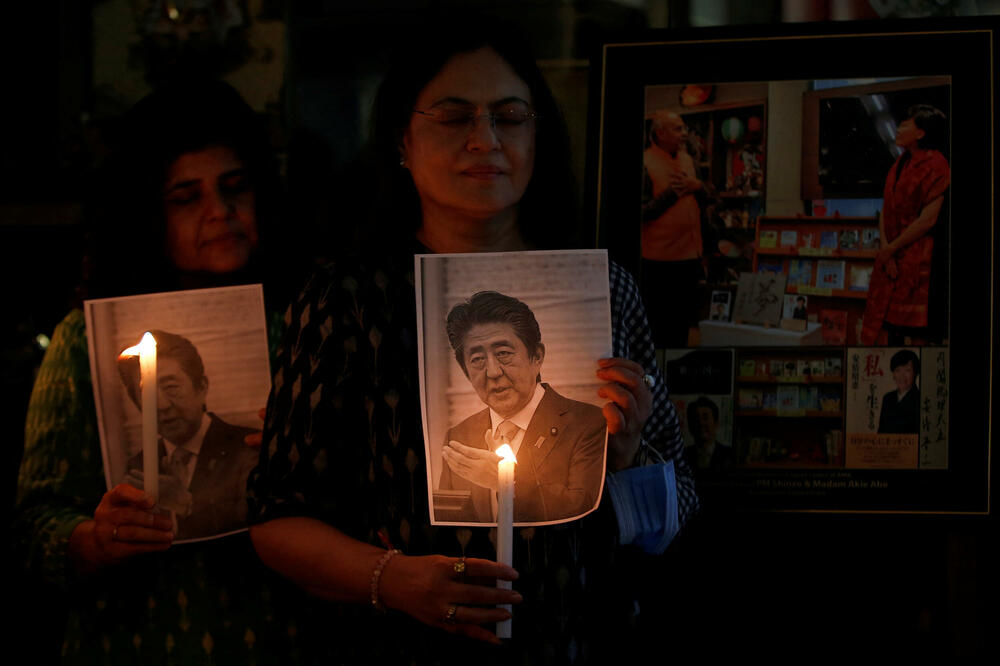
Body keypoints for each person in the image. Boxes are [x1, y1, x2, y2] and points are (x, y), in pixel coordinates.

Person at [248, 16, 698, 664]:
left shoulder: (602, 291)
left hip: (575, 638)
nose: (485, 140)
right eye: (454, 117)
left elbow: (675, 514)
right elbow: (276, 517)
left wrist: (626, 460)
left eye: (510, 117)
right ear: (402, 140)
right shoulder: (345, 300)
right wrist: (393, 580)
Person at [14, 79, 296, 664]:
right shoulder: (85, 342)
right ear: (147, 216)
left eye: (235, 188)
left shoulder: (303, 322)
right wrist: (96, 538)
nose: (220, 212)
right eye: (186, 198)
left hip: (290, 633)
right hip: (139, 635)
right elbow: (36, 522)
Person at [437, 291, 606, 523]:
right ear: (466, 372)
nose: (493, 372)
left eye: (503, 354)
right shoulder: (458, 438)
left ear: (536, 357)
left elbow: (584, 513)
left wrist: (506, 482)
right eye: (477, 360)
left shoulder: (588, 423)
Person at [117, 329, 259, 540]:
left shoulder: (249, 449)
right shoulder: (137, 468)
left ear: (201, 388)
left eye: (171, 387)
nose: (162, 405)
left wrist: (187, 504)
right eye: (147, 394)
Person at [861, 104, 950, 345]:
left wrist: (891, 248)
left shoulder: (937, 165)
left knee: (919, 334)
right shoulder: (899, 163)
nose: (899, 129)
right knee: (889, 330)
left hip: (919, 259)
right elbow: (886, 209)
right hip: (892, 257)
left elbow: (928, 219)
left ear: (921, 133)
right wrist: (886, 249)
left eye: (905, 124)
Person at [640, 109, 708, 348]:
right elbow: (642, 213)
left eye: (684, 128)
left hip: (690, 257)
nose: (684, 133)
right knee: (659, 327)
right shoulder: (645, 162)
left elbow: (708, 199)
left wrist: (697, 186)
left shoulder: (688, 159)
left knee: (683, 325)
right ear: (660, 133)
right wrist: (673, 193)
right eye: (678, 129)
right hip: (659, 262)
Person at [877, 349, 920, 435]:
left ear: (915, 373)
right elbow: (881, 431)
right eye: (897, 370)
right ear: (893, 374)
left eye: (907, 370)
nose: (902, 376)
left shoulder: (919, 399)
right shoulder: (888, 398)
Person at [683, 396, 732, 471]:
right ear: (690, 426)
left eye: (705, 418)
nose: (701, 423)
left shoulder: (728, 454)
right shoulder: (683, 455)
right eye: (696, 418)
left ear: (716, 423)